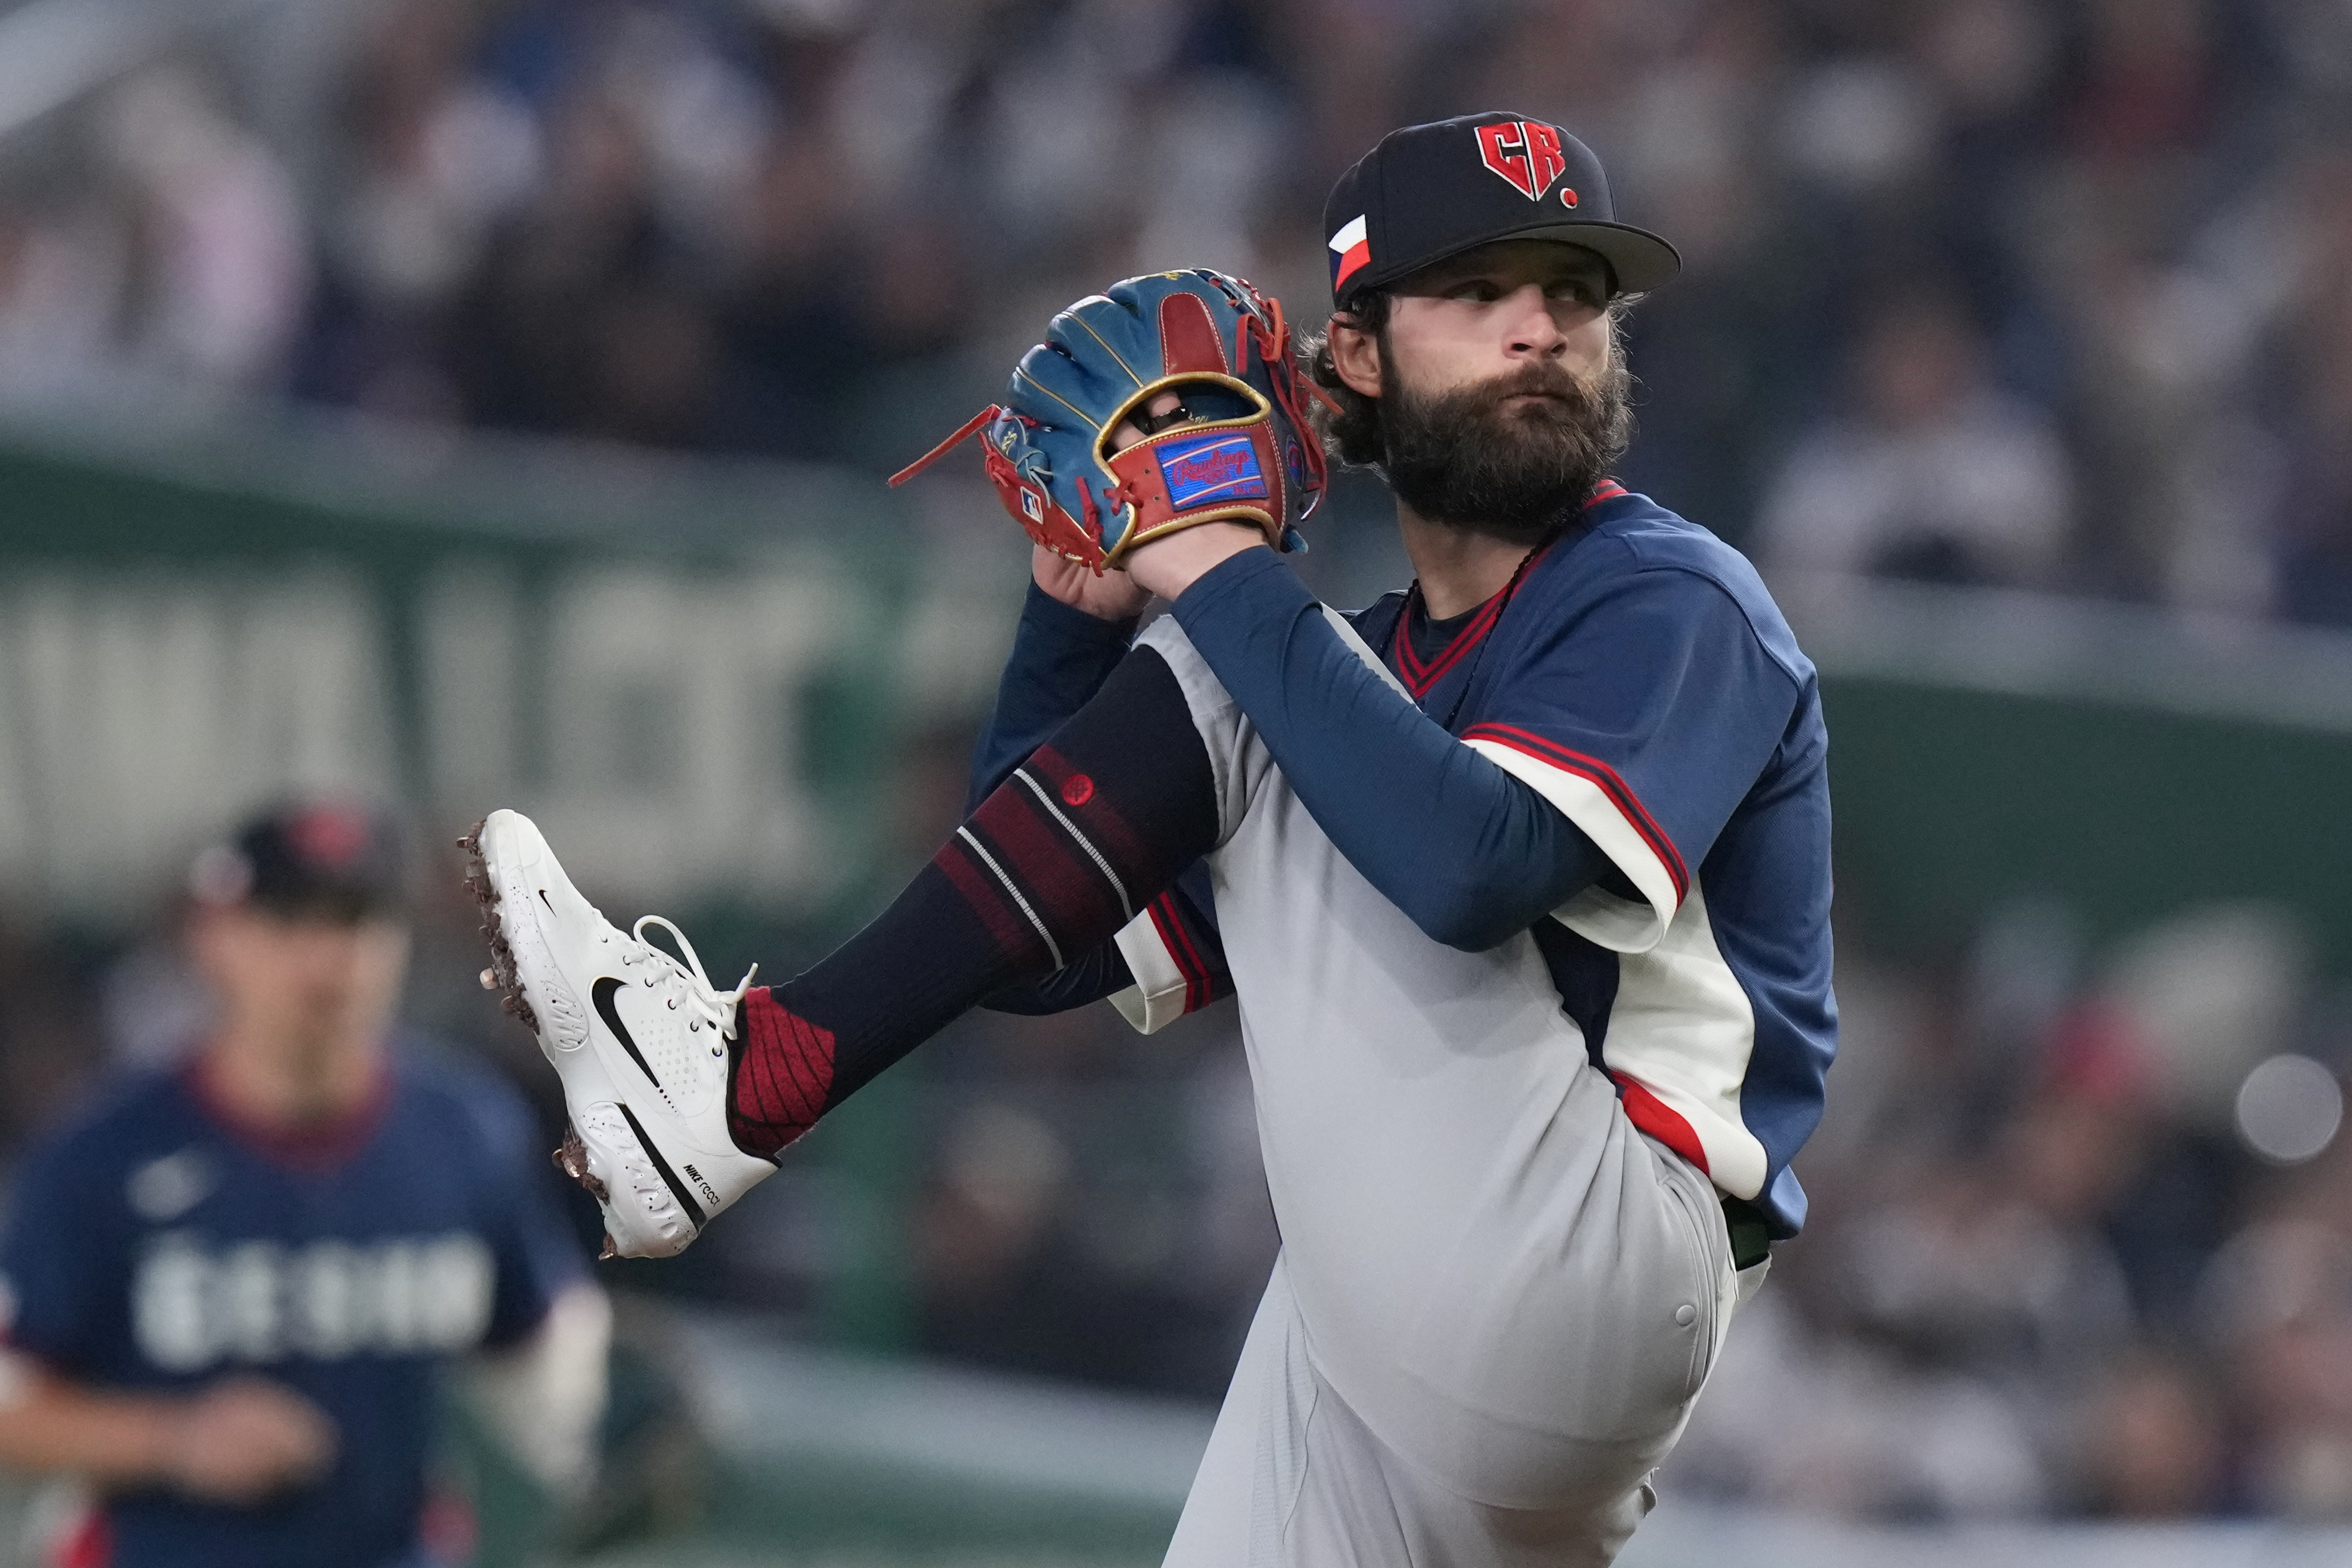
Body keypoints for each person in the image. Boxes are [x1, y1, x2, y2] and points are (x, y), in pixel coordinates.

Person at [471, 111, 1835, 1567]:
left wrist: (1196, 549)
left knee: (1247, 675)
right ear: (1357, 352)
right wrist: (1070, 626)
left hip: (1599, 1255)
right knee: (1255, 674)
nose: (1540, 330)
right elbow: (1046, 952)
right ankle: (747, 1077)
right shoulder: (1353, 667)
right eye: (1479, 291)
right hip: (1405, 1345)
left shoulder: (1673, 596)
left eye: (1575, 295)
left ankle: (747, 1079)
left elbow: (1473, 865)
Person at [0, 802, 606, 1568]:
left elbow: (543, 1356)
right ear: (214, 940)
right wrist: (172, 1439)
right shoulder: (105, 1155)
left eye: (357, 922)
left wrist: (605, 1416)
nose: (326, 959)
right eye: (287, 922)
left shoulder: (468, 1133)